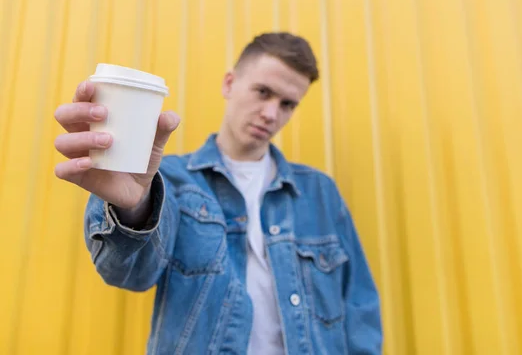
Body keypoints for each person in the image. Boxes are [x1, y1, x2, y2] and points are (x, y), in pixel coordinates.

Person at [54, 32, 382, 354]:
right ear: (229, 83)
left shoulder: (319, 192)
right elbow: (129, 273)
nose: (271, 113)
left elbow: (360, 307)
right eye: (263, 92)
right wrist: (134, 208)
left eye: (287, 104)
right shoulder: (168, 181)